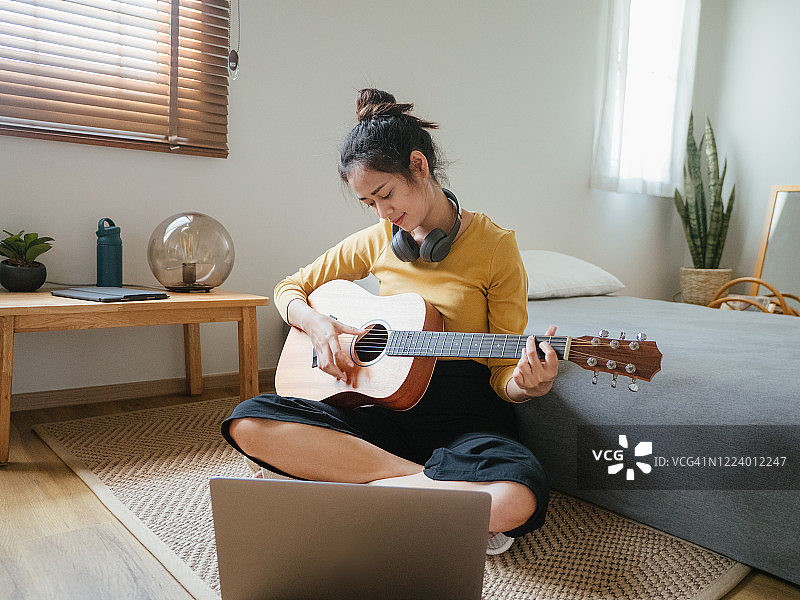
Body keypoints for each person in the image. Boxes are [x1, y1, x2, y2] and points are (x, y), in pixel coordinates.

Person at [222, 88, 558, 555]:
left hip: (464, 418)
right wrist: (319, 326)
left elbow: (503, 373)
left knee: (518, 494)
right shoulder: (378, 239)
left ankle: (349, 486)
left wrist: (527, 384)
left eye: (385, 194)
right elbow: (288, 288)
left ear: (418, 167)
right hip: (382, 413)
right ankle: (420, 487)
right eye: (369, 203)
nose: (384, 213)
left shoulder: (496, 246)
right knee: (248, 421)